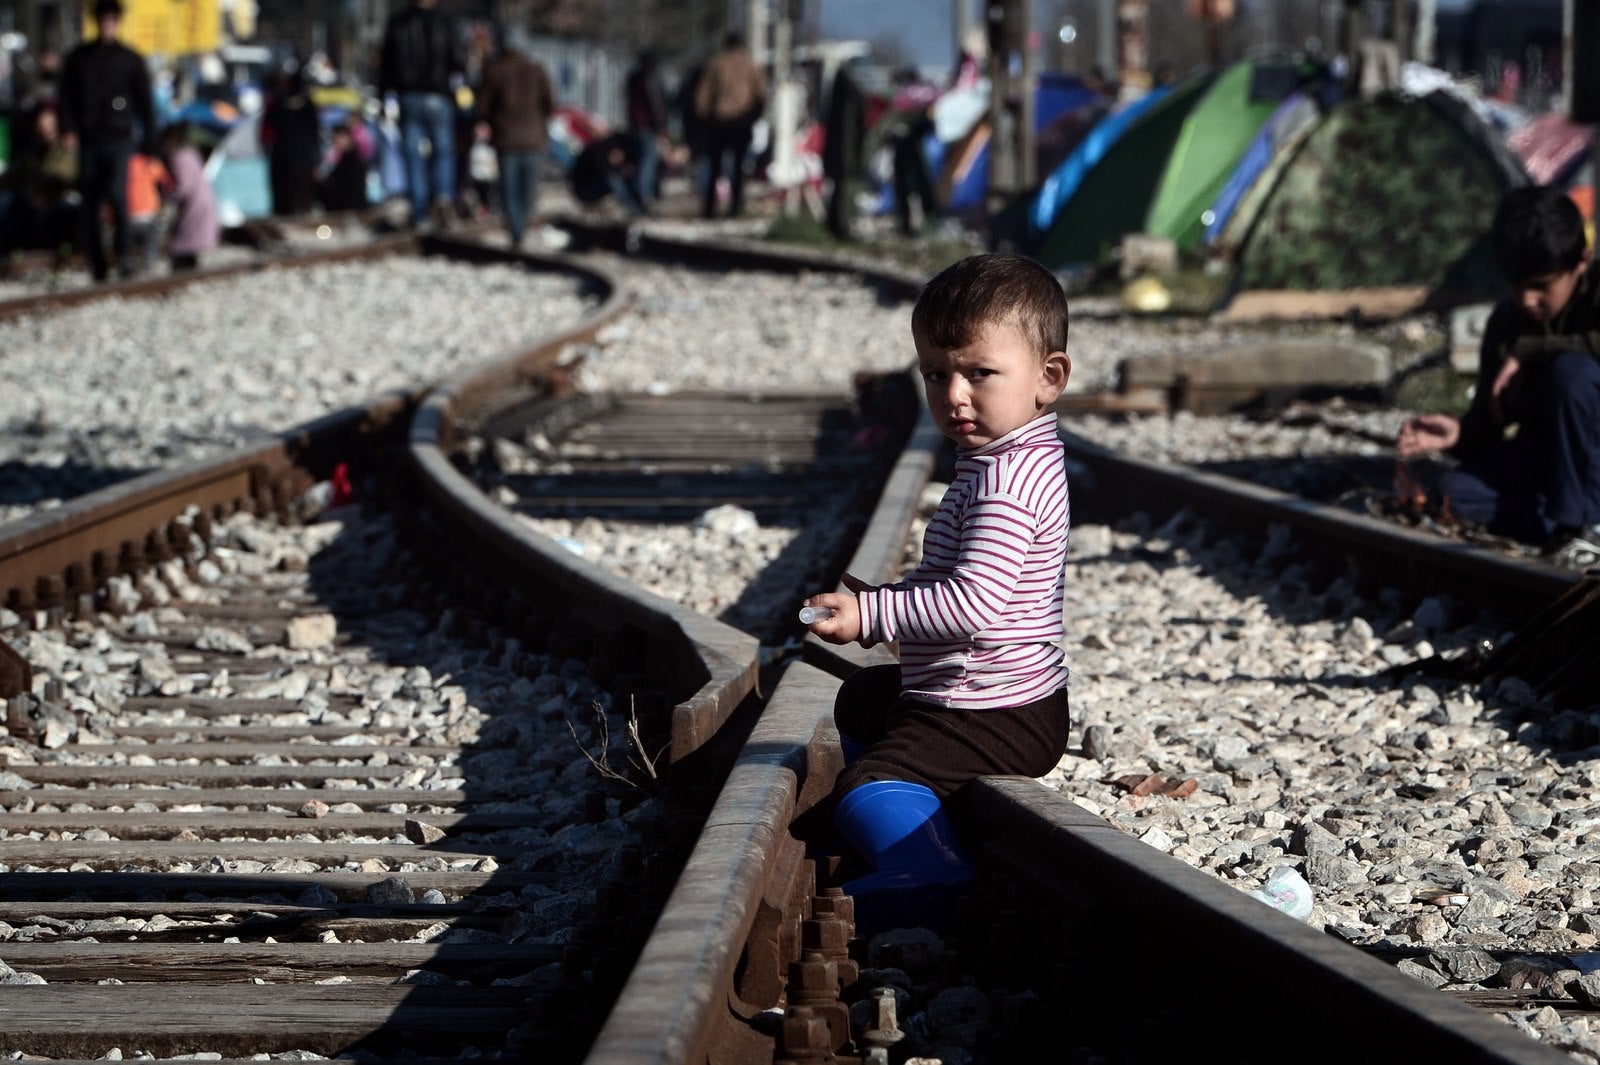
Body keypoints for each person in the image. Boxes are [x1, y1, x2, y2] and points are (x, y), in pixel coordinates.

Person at [801, 253, 1073, 931]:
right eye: (936, 373)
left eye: (979, 373)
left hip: (992, 710)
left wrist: (873, 611)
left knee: (865, 781)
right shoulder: (1007, 458)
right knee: (864, 697)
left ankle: (925, 862)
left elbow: (974, 603)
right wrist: (893, 604)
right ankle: (911, 818)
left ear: (1050, 377)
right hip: (995, 694)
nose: (954, 393)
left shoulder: (1005, 482)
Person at [1397, 186, 1600, 570]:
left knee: (1571, 374)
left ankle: (1583, 530)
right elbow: (1490, 422)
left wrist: (1532, 352)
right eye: (1517, 286)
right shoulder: (1507, 321)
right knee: (1452, 495)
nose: (1527, 300)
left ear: (1581, 263)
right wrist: (1461, 433)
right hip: (1551, 463)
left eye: (1541, 286)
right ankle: (1564, 524)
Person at [57, 0, 155, 281]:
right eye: (103, 19)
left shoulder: (129, 59)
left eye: (111, 19)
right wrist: (68, 129)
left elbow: (144, 103)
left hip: (119, 138)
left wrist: (151, 143)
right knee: (91, 200)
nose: (107, 25)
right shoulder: (79, 58)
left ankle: (124, 254)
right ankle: (97, 261)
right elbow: (66, 98)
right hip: (89, 138)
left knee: (117, 194)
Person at [379, 0, 465, 230]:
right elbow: (458, 59)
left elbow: (386, 64)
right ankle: (443, 196)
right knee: (443, 150)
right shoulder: (446, 21)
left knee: (413, 155)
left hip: (408, 95)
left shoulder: (398, 22)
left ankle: (420, 211)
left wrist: (384, 96)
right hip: (439, 95)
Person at [475, 31, 554, 248]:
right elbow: (550, 104)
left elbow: (483, 107)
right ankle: (521, 228)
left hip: (506, 139)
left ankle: (516, 231)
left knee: (508, 190)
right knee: (527, 190)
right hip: (533, 139)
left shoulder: (495, 71)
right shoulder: (537, 70)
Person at [693, 31, 766, 219]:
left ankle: (710, 207)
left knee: (715, 166)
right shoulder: (751, 65)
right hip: (742, 121)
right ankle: (735, 207)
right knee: (739, 166)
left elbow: (703, 97)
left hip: (718, 122)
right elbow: (761, 95)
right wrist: (753, 116)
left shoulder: (715, 65)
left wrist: (705, 119)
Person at [260, 65, 321, 217]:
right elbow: (315, 135)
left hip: (284, 159)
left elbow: (266, 134)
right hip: (301, 160)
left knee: (285, 202)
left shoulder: (277, 105)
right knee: (300, 201)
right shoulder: (308, 106)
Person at [159, 121, 218, 272]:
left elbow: (184, 186)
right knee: (189, 246)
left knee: (182, 245)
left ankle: (183, 274)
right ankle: (189, 272)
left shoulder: (178, 156)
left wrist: (167, 196)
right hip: (203, 200)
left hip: (194, 205)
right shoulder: (190, 152)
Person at [624, 49, 669, 212]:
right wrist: (662, 126)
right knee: (647, 162)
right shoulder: (649, 79)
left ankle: (641, 195)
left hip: (636, 126)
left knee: (641, 161)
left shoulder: (633, 78)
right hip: (647, 126)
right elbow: (656, 105)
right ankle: (644, 197)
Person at [125, 147, 168, 272]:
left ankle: (130, 266)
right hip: (149, 213)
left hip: (127, 214)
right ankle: (148, 266)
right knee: (151, 244)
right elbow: (166, 181)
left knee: (130, 247)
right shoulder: (150, 162)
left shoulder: (122, 163)